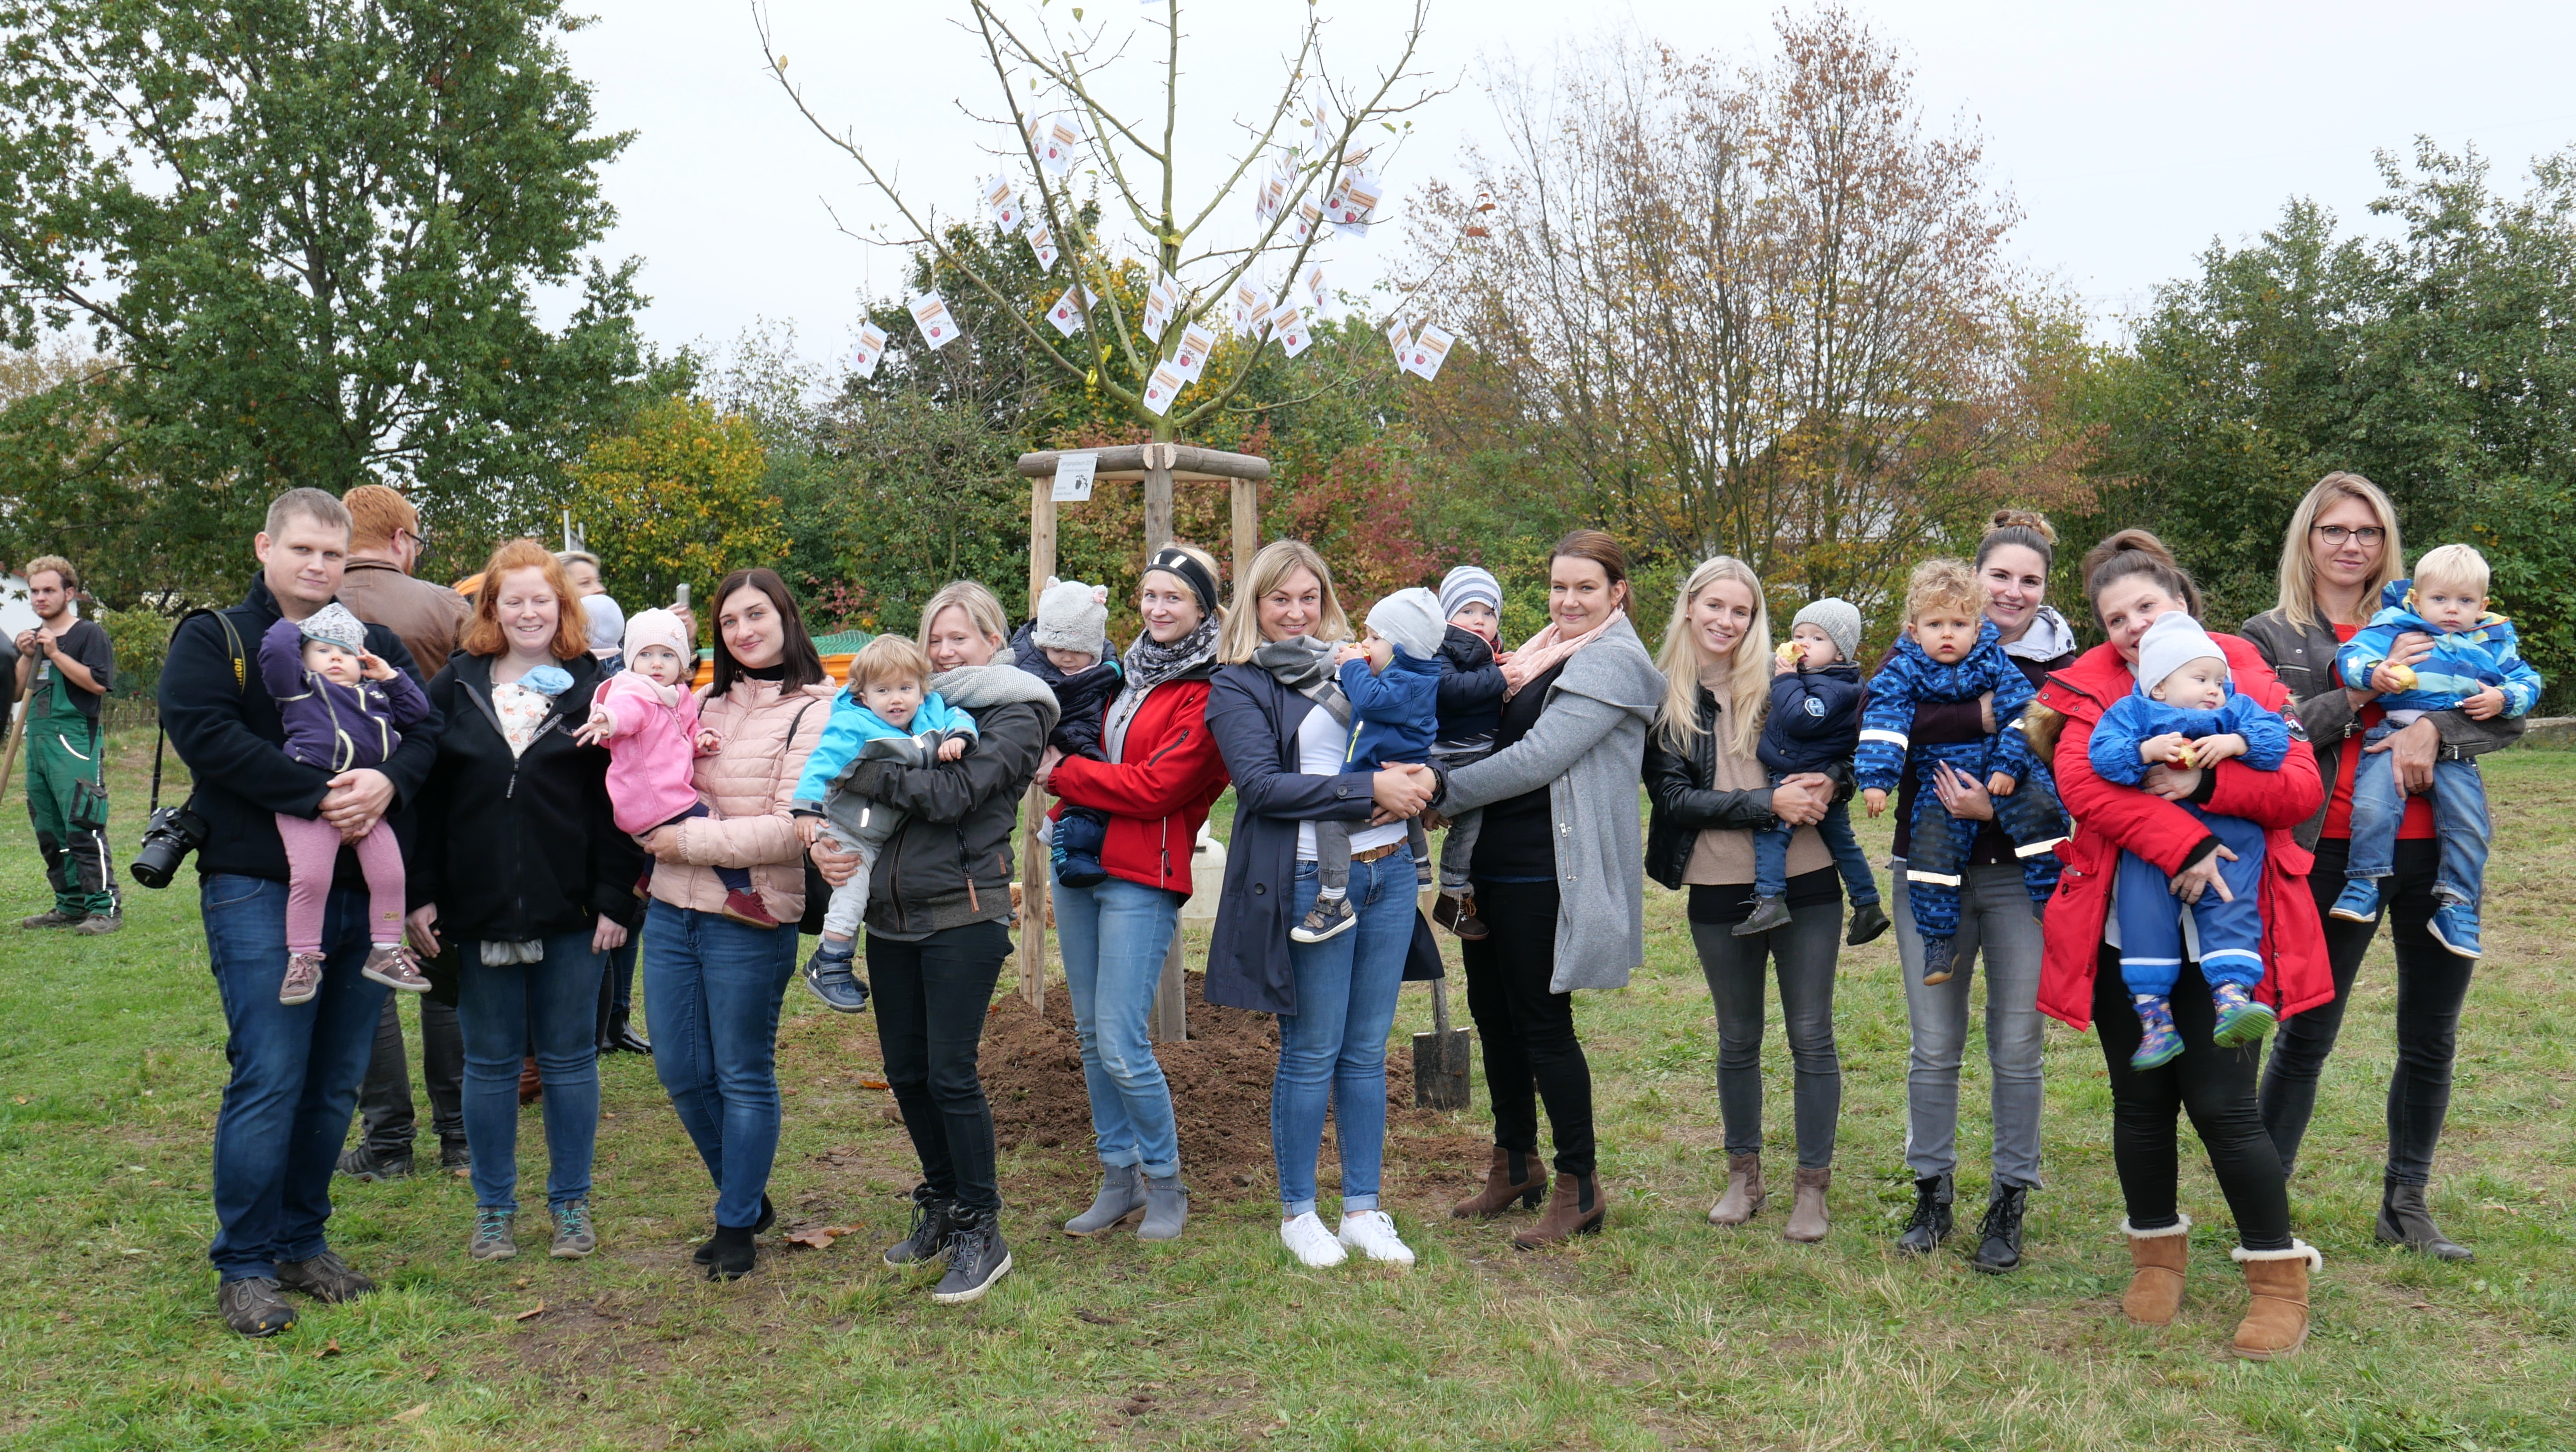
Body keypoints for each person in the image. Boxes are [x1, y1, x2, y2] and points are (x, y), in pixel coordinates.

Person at [2030, 530, 2330, 1360]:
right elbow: (2085, 789)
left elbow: (2299, 783)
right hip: (2126, 930)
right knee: (2140, 1099)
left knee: (2223, 1103)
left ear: (2183, 605)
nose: (2130, 625)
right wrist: (2182, 841)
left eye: (2146, 607)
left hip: (2228, 930)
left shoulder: (2239, 673)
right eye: (2113, 615)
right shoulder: (2089, 692)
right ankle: (2155, 1256)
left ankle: (2276, 1275)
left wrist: (2206, 783)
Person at [158, 488, 444, 1337]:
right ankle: (244, 1262)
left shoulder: (373, 641)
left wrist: (389, 781)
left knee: (333, 1082)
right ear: (265, 546)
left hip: (365, 888)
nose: (318, 565)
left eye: (331, 552)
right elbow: (206, 733)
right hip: (257, 883)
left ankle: (300, 1240)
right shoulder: (218, 637)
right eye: (303, 550)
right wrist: (323, 795)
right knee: (270, 1072)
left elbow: (427, 732)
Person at [2243, 472, 2523, 1262]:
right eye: (2334, 530)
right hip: (2329, 853)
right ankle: (2263, 1204)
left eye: (2366, 532)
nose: (2351, 545)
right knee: (2307, 1033)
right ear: (2308, 538)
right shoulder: (2270, 635)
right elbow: (2272, 733)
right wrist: (2370, 696)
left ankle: (2406, 1205)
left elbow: (2510, 713)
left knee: (2431, 1037)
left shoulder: (2444, 609)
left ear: (2386, 544)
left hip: (2437, 852)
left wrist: (2433, 726)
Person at [406, 541, 640, 1263]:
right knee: (490, 1063)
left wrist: (612, 898)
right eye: (515, 600)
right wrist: (419, 895)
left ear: (562, 607)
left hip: (570, 908)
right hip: (476, 911)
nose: (529, 611)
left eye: (543, 599)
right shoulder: (456, 684)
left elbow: (618, 799)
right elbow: (423, 797)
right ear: (492, 609)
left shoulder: (594, 689)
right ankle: (493, 1209)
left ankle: (571, 1204)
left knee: (571, 1061)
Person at [1206, 540, 1436, 1267]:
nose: (1297, 612)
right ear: (1256, 605)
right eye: (1281, 599)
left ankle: (1364, 1209)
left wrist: (1427, 780)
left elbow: (1421, 730)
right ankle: (1299, 1212)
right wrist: (1368, 791)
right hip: (1311, 882)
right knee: (1313, 1051)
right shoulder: (1238, 684)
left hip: (1391, 871)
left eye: (1310, 597)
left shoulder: (1363, 662)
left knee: (1368, 1051)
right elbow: (1261, 786)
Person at [1436, 530, 1664, 1248]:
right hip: (1490, 865)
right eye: (1559, 587)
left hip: (1548, 869)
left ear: (1617, 593)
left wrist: (1436, 789)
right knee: (1494, 1018)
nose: (1568, 601)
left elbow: (1537, 758)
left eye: (1586, 589)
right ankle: (1516, 1162)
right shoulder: (1537, 652)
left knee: (1542, 1025)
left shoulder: (1616, 663)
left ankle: (1581, 1184)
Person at [1884, 508, 2080, 1272]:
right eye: (1999, 575)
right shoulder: (1922, 648)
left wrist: (1994, 800)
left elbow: (2070, 778)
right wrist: (1982, 716)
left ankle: (2010, 1196)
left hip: (2020, 879)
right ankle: (1931, 1191)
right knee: (1933, 1045)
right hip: (1927, 870)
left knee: (2016, 1044)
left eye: (2030, 580)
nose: (2013, 591)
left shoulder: (2069, 675)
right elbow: (1888, 731)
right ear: (1972, 581)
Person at [854, 578, 1057, 1303]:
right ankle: (941, 1202)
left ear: (993, 642)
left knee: (950, 1073)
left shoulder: (1020, 710)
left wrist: (874, 770)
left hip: (963, 915)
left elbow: (955, 796)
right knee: (906, 1072)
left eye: (958, 638)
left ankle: (982, 1228)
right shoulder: (920, 707)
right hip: (892, 916)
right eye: (934, 638)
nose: (943, 650)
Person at [638, 568, 834, 1281]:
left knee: (742, 1072)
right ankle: (748, 1195)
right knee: (682, 1071)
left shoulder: (819, 711)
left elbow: (790, 829)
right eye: (729, 623)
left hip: (750, 915)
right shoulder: (700, 703)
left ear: (786, 615)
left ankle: (735, 1221)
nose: (745, 631)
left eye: (756, 615)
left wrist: (682, 840)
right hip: (669, 906)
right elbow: (647, 775)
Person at [1644, 556, 1843, 1243]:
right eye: (1716, 607)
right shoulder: (1664, 693)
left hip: (1807, 876)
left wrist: (1830, 783)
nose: (1727, 622)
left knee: (1811, 1034)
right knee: (1737, 1038)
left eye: (1743, 611)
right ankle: (1743, 1174)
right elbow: (1673, 799)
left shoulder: (1786, 679)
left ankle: (1812, 1187)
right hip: (1717, 884)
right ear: (1691, 607)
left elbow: (1841, 738)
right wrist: (1767, 802)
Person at [1041, 553, 1228, 1248]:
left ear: (1204, 609)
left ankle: (1168, 1183)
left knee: (1121, 1040)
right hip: (1079, 864)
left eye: (1174, 598)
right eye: (1149, 594)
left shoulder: (1209, 691)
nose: (1156, 609)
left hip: (1144, 871)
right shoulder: (1121, 674)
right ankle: (1118, 1178)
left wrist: (1066, 774)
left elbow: (1157, 789)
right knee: (1091, 1034)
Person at [334, 484, 474, 1177]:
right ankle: (460, 1135)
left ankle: (388, 1139)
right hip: (437, 803)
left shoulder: (307, 605)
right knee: (438, 966)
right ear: (400, 541)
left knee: (366, 967)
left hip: (334, 812)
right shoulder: (447, 606)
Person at [2087, 613, 2294, 1065]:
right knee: (2143, 917)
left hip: (2231, 837)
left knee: (2232, 908)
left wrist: (2237, 744)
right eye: (2200, 678)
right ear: (2159, 685)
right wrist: (2144, 752)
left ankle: (2232, 1002)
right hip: (2154, 844)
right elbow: (2101, 757)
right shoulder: (2135, 712)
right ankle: (2156, 1023)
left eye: (2220, 680)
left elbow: (2276, 739)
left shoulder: (2234, 712)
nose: (2214, 689)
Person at [1856, 558, 2068, 987]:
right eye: (1935, 625)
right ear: (1914, 632)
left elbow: (2023, 717)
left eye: (1958, 624)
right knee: (1931, 848)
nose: (1947, 634)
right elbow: (1883, 721)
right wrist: (1877, 781)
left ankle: (2048, 900)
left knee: (2043, 813)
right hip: (1943, 780)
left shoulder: (1994, 662)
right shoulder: (1903, 668)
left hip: (2007, 773)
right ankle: (1938, 941)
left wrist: (2009, 766)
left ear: (1977, 628)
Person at [2328, 544, 2538, 957]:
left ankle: (2457, 905)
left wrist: (2503, 698)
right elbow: (2350, 657)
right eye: (2439, 599)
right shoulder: (2395, 627)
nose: (2451, 610)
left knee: (2469, 824)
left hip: (2455, 746)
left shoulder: (2492, 641)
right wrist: (2378, 672)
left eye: (2465, 601)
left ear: (2483, 605)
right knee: (2372, 807)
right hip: (2389, 734)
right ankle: (2363, 884)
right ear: (2417, 598)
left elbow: (2528, 681)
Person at [256, 603, 436, 1003]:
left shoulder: (376, 694)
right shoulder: (300, 690)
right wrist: (293, 625)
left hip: (368, 805)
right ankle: (302, 958)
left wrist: (390, 677)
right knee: (312, 878)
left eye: (344, 651)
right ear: (303, 660)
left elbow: (418, 712)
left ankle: (387, 948)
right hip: (313, 805)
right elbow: (275, 656)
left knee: (390, 876)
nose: (335, 657)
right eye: (321, 650)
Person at [790, 634, 978, 1004]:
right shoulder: (853, 725)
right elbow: (822, 763)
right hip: (850, 830)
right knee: (851, 897)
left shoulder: (931, 711)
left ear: (922, 690)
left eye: (906, 688)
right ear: (863, 695)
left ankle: (826, 961)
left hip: (884, 832)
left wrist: (959, 736)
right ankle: (831, 963)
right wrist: (805, 808)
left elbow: (959, 715)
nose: (896, 699)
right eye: (883, 690)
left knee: (865, 899)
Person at [582, 606, 775, 930]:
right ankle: (742, 893)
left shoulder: (677, 696)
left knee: (687, 826)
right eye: (646, 654)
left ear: (682, 663)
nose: (656, 663)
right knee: (711, 830)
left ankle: (646, 877)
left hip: (660, 794)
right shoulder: (636, 692)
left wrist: (700, 740)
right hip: (649, 797)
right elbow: (627, 714)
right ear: (631, 660)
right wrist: (609, 720)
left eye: (668, 656)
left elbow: (685, 732)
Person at [1292, 587, 1444, 945]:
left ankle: (1332, 900)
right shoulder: (1410, 676)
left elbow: (1370, 702)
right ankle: (1422, 866)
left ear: (1403, 649)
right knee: (1405, 806)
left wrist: (1354, 665)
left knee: (1331, 823)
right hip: (1395, 765)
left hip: (1378, 768)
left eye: (1375, 638)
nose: (1365, 642)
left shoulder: (1406, 683)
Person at [1738, 598, 1882, 942]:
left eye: (1818, 638)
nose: (1804, 643)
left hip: (1800, 776)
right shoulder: (1821, 678)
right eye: (1799, 634)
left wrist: (1785, 678)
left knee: (1773, 832)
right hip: (1820, 774)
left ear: (1840, 654)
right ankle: (1868, 905)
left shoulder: (1834, 686)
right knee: (1843, 844)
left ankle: (1770, 899)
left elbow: (1800, 719)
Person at [14, 554, 120, 934]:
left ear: (69, 593)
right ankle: (70, 905)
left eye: (49, 590)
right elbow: (17, 691)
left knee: (82, 823)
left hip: (74, 740)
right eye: (35, 591)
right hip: (37, 742)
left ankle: (104, 908)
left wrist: (56, 653)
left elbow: (98, 684)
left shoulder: (88, 635)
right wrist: (28, 657)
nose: (40, 598)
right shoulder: (34, 639)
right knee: (49, 828)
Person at [1010, 578, 1122, 888]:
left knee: (1098, 784)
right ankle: (1070, 853)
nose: (1068, 659)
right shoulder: (1029, 666)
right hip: (1058, 735)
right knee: (1092, 787)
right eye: (1058, 650)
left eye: (1078, 651)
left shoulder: (1109, 667)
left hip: (1091, 733)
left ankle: (1071, 842)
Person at [1428, 564, 1508, 939]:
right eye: (1467, 611)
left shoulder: (1494, 653)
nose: (1479, 621)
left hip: (1480, 751)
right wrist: (1504, 677)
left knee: (1472, 828)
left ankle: (1457, 890)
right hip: (1450, 754)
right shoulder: (1440, 648)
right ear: (1446, 616)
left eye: (1488, 613)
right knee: (1465, 822)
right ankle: (1452, 892)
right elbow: (1452, 690)